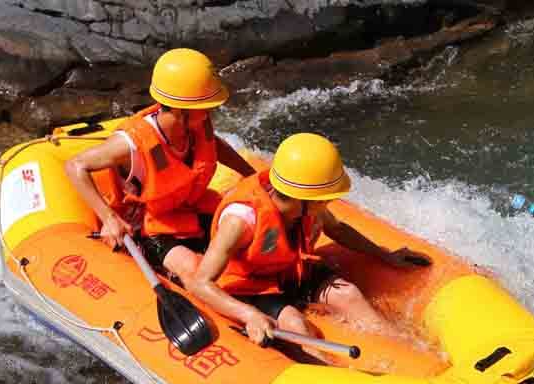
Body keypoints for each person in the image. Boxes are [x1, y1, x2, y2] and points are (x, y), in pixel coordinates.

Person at [176, 132, 431, 354]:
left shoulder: (306, 205)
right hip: (253, 288)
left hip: (292, 271)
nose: (329, 202)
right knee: (296, 324)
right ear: (304, 198)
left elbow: (337, 229)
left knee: (349, 295)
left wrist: (384, 254)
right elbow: (200, 283)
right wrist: (248, 315)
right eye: (326, 198)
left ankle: (409, 354)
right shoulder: (241, 220)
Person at [65, 48, 256, 273]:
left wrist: (253, 176)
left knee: (253, 238)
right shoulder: (131, 144)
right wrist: (109, 218)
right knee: (194, 269)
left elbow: (214, 145)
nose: (212, 111)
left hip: (191, 209)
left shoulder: (196, 123)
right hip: (151, 228)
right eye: (207, 107)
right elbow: (75, 165)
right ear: (180, 110)